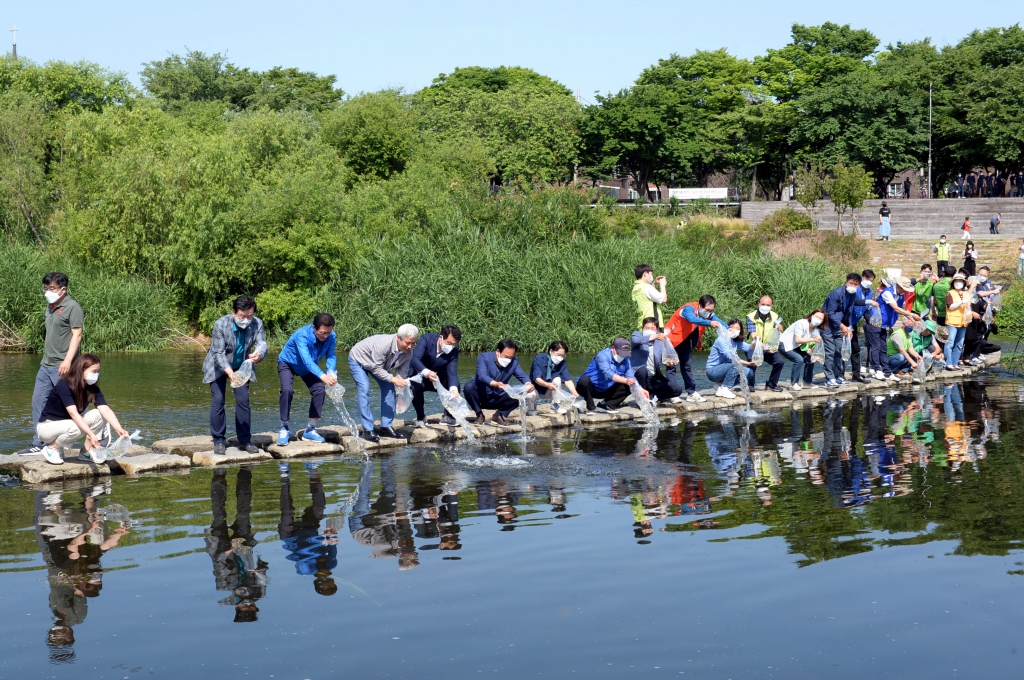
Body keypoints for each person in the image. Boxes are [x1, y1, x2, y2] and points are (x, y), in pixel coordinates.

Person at [20, 273, 85, 455]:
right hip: (45, 365)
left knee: (69, 405)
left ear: (63, 289)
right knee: (38, 402)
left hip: (63, 366)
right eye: (46, 288)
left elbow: (77, 335)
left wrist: (67, 361)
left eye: (52, 288)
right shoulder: (49, 307)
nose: (48, 291)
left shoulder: (73, 307)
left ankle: (84, 437)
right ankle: (39, 443)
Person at [35, 354, 131, 466]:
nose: (96, 375)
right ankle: (52, 448)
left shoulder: (92, 389)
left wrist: (118, 428)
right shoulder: (64, 385)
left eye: (98, 371)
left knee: (99, 414)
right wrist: (91, 434)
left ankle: (86, 452)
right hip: (47, 427)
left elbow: (105, 410)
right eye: (93, 371)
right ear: (81, 370)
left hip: (69, 424)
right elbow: (73, 413)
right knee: (79, 426)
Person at [202, 296, 267, 456]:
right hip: (218, 366)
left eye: (250, 316)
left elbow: (262, 344)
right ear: (234, 313)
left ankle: (245, 440)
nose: (246, 320)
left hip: (242, 367)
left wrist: (258, 355)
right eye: (242, 316)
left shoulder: (257, 323)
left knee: (243, 401)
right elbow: (218, 352)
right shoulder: (221, 324)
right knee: (218, 401)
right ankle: (219, 440)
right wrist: (230, 373)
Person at [348, 324, 419, 441]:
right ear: (398, 338)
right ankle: (368, 429)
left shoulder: (409, 353)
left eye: (413, 343)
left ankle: (386, 427)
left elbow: (401, 375)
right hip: (359, 360)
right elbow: (376, 368)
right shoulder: (383, 344)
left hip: (378, 365)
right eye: (407, 343)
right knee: (364, 389)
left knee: (390, 388)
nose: (410, 346)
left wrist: (400, 395)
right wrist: (393, 379)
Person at [276, 314, 338, 446]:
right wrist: (323, 376)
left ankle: (310, 429)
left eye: (328, 332)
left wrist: (331, 372)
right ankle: (284, 428)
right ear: (314, 328)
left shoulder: (331, 336)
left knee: (319, 391)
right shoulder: (302, 335)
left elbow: (331, 355)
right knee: (287, 390)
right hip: (288, 363)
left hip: (309, 367)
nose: (325, 336)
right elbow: (307, 360)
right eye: (322, 333)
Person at [665, 295, 725, 403]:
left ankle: (691, 393)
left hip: (684, 340)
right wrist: (709, 323)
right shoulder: (688, 309)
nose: (709, 312)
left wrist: (730, 329)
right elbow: (692, 319)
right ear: (700, 306)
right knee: (671, 366)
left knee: (687, 366)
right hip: (671, 339)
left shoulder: (707, 313)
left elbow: (719, 321)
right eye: (707, 310)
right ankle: (672, 393)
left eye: (711, 310)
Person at [463, 339, 534, 425]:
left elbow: (522, 375)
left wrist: (528, 384)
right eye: (506, 357)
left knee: (521, 393)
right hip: (481, 396)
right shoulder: (483, 357)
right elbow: (482, 376)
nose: (508, 360)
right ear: (498, 351)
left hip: (498, 397)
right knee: (468, 387)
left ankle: (498, 415)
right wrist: (496, 384)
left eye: (511, 357)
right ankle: (479, 415)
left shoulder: (514, 362)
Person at [407, 325, 462, 428]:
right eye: (449, 343)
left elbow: (452, 373)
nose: (450, 346)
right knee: (414, 386)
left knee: (455, 385)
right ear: (441, 337)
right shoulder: (427, 339)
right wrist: (427, 372)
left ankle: (448, 416)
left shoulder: (453, 352)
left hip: (438, 379)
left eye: (454, 344)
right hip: (420, 377)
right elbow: (415, 360)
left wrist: (454, 389)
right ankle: (421, 417)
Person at [577, 338, 646, 414]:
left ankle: (606, 405)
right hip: (590, 389)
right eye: (620, 353)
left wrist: (639, 388)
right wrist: (626, 380)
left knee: (630, 384)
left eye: (625, 354)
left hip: (607, 389)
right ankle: (591, 408)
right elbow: (608, 374)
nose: (622, 356)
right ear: (613, 348)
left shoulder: (626, 360)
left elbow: (631, 377)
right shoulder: (603, 356)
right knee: (584, 380)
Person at [822, 273, 861, 387]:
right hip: (828, 326)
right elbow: (830, 313)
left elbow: (849, 311)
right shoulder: (836, 293)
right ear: (846, 282)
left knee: (839, 352)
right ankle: (829, 378)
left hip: (840, 326)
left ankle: (838, 376)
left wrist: (848, 327)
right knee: (830, 352)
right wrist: (843, 326)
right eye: (851, 283)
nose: (852, 286)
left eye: (855, 284)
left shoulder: (852, 295)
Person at [630, 318, 683, 403]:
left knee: (677, 390)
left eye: (652, 329)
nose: (649, 330)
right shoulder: (637, 335)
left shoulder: (659, 342)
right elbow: (636, 341)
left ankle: (653, 397)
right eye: (647, 328)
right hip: (639, 378)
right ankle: (641, 399)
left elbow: (664, 357)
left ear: (657, 330)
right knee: (642, 370)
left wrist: (669, 363)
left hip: (653, 379)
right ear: (643, 328)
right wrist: (654, 336)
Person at [704, 319, 756, 400]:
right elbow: (732, 358)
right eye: (732, 327)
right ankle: (725, 388)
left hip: (727, 369)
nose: (734, 330)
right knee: (735, 364)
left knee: (749, 373)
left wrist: (756, 341)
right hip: (713, 371)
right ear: (727, 328)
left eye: (737, 328)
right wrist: (749, 363)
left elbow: (749, 348)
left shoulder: (735, 341)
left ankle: (720, 385)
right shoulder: (721, 340)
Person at [778, 309, 826, 390]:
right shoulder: (801, 323)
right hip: (785, 344)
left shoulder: (816, 331)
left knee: (811, 359)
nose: (818, 319)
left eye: (820, 318)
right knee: (799, 359)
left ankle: (807, 382)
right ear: (812, 316)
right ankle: (794, 383)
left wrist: (814, 356)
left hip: (797, 346)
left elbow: (807, 348)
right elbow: (798, 340)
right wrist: (813, 339)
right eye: (817, 316)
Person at [745, 296, 786, 391]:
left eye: (768, 305)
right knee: (753, 363)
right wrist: (762, 344)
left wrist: (780, 328)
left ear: (771, 306)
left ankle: (772, 383)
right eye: (763, 304)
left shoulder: (774, 316)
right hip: (754, 346)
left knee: (779, 362)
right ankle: (750, 385)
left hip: (768, 347)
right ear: (758, 304)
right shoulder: (751, 317)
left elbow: (778, 327)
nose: (765, 307)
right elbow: (753, 334)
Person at [528, 340, 580, 415]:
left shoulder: (562, 363)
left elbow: (567, 379)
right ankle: (532, 407)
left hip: (550, 390)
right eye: (558, 355)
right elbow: (537, 379)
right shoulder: (539, 359)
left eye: (563, 355)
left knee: (557, 379)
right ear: (551, 351)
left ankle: (555, 405)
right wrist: (547, 384)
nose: (560, 358)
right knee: (529, 395)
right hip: (536, 391)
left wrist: (574, 392)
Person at [944, 273, 976, 370]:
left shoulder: (966, 294)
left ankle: (955, 363)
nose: (959, 283)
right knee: (950, 343)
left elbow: (968, 308)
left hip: (963, 322)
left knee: (959, 344)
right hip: (952, 322)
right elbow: (950, 306)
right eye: (957, 281)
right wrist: (961, 302)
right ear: (953, 283)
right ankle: (948, 363)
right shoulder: (950, 293)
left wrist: (969, 316)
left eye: (961, 281)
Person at [631, 264, 667, 330]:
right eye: (651, 274)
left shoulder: (635, 288)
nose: (651, 276)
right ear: (645, 274)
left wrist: (654, 283)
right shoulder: (647, 287)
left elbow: (648, 297)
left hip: (643, 324)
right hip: (652, 325)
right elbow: (663, 299)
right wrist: (662, 285)